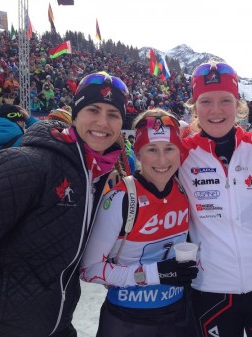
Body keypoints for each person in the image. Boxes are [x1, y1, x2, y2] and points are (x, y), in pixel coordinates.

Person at [0, 71, 128, 337]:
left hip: (55, 326)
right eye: (93, 109)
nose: (103, 122)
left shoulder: (93, 174)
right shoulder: (27, 164)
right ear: (75, 114)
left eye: (113, 114)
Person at [178, 61, 252, 337]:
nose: (216, 110)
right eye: (205, 101)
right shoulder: (181, 154)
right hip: (211, 287)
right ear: (195, 108)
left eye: (225, 101)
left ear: (238, 105)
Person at [80, 108, 198, 337]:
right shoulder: (121, 198)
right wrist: (156, 274)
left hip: (177, 313)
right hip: (127, 319)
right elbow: (89, 269)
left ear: (180, 153)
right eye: (152, 150)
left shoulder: (184, 190)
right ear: (139, 154)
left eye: (170, 149)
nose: (162, 160)